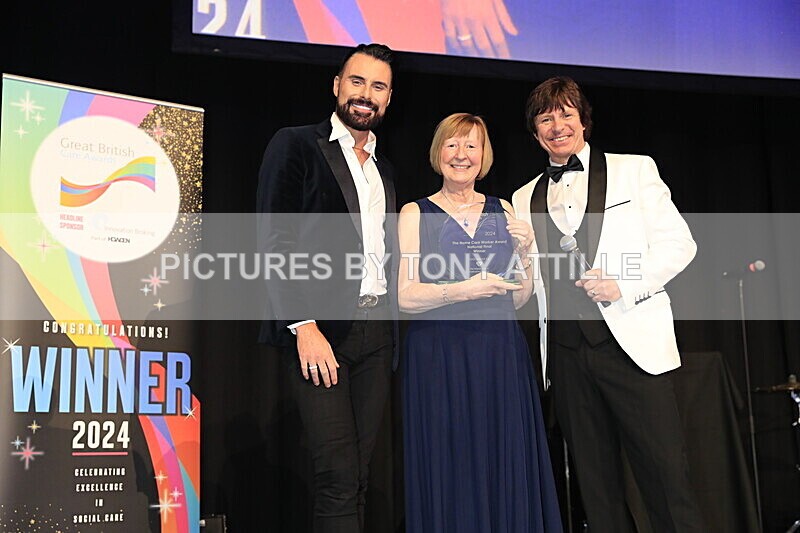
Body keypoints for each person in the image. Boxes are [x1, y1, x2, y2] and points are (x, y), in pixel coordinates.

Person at [512, 76, 704, 532]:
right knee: (595, 490)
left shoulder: (634, 169)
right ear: (535, 130)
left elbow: (681, 245)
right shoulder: (522, 197)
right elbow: (530, 282)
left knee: (664, 478)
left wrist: (624, 283)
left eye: (565, 113)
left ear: (583, 119)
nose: (556, 125)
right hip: (566, 354)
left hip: (631, 346)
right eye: (545, 117)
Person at [257, 43, 398, 533]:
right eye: (357, 81)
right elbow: (273, 238)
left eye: (377, 86)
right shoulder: (295, 143)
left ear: (388, 97)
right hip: (319, 331)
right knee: (337, 475)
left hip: (376, 334)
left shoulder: (384, 169)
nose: (365, 94)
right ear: (337, 85)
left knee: (358, 476)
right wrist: (303, 324)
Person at [398, 113, 562, 532]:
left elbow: (519, 297)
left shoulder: (503, 209)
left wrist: (525, 254)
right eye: (453, 145)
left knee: (500, 456)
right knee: (449, 459)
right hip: (439, 354)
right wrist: (463, 290)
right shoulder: (415, 212)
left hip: (498, 350)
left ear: (484, 155)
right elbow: (404, 296)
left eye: (472, 145)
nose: (462, 155)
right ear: (439, 153)